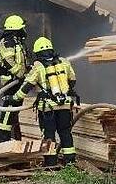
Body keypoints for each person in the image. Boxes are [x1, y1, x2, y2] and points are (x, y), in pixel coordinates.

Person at [14, 37, 78, 166]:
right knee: (65, 133)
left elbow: (27, 86)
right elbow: (72, 80)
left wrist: (15, 98)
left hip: (48, 109)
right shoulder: (64, 62)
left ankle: (51, 164)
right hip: (65, 105)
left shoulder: (38, 67)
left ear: (37, 52)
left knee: (49, 135)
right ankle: (70, 163)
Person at [0, 15, 30, 142]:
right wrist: (20, 74)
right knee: (10, 105)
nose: (24, 30)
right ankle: (2, 135)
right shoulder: (7, 42)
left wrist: (28, 69)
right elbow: (8, 61)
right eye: (22, 28)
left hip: (17, 78)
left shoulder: (17, 41)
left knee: (14, 106)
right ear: (16, 28)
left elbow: (21, 60)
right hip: (10, 80)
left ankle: (6, 134)